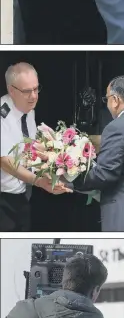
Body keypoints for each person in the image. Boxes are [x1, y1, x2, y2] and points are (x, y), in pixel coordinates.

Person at [0, 62, 72, 232]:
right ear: (11, 90)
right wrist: (39, 181)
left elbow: (30, 151)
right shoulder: (2, 114)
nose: (33, 96)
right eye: (27, 91)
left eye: (36, 89)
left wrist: (53, 173)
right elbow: (5, 161)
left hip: (22, 196)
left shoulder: (27, 109)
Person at [74, 76, 124, 231]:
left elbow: (105, 174)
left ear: (115, 100)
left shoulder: (116, 127)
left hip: (123, 213)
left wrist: (72, 178)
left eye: (106, 99)